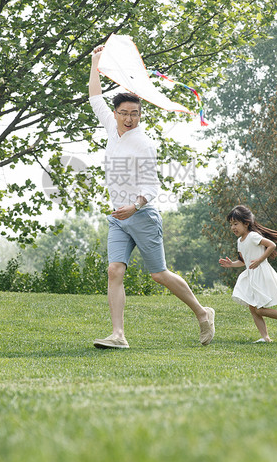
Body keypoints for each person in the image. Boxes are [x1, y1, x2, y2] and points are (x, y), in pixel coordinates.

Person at [87, 45, 215, 349]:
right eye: (125, 114)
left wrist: (136, 206)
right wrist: (95, 63)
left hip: (141, 216)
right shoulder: (109, 127)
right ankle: (118, 335)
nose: (130, 119)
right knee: (114, 270)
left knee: (158, 273)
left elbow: (152, 186)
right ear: (115, 113)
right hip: (118, 218)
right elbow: (95, 97)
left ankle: (202, 312)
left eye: (135, 114)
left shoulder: (143, 144)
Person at [218, 205, 277, 343]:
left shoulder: (253, 236)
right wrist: (232, 264)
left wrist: (260, 260)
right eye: (231, 224)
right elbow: (244, 261)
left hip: (261, 274)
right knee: (252, 307)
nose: (233, 227)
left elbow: (272, 245)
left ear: (246, 223)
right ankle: (265, 337)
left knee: (260, 309)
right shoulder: (240, 241)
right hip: (251, 275)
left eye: (236, 224)